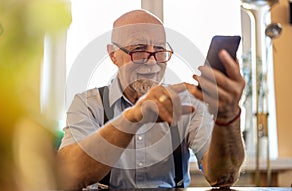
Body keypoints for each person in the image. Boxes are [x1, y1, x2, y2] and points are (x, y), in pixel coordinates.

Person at [57, 9, 245, 189]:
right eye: (139, 49)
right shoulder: (88, 104)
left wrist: (227, 117)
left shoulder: (187, 103)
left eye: (159, 50)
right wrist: (133, 117)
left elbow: (222, 177)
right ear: (113, 55)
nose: (152, 62)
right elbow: (69, 175)